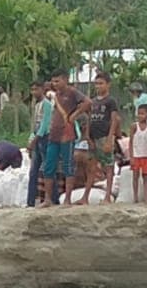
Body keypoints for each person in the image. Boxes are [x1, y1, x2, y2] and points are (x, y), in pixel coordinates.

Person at [41, 71, 89, 208]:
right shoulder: (56, 95)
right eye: (53, 81)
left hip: (67, 134)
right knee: (49, 166)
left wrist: (74, 115)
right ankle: (47, 199)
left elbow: (87, 102)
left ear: (65, 80)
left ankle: (67, 199)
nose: (55, 84)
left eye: (57, 81)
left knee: (68, 166)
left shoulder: (72, 92)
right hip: (54, 134)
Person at [80, 71, 121, 205]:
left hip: (104, 137)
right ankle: (85, 197)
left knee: (108, 167)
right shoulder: (92, 101)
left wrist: (110, 139)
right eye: (96, 84)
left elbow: (114, 120)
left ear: (108, 85)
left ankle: (107, 196)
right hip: (93, 137)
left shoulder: (111, 101)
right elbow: (89, 119)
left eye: (101, 83)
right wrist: (87, 136)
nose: (98, 86)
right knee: (91, 168)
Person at [26, 80, 52, 207]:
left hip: (44, 138)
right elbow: (34, 125)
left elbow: (45, 124)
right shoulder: (36, 105)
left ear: (42, 89)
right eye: (32, 90)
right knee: (33, 171)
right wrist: (31, 140)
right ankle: (30, 202)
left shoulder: (47, 104)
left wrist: (35, 140)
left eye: (36, 89)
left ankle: (52, 198)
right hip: (37, 138)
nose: (34, 92)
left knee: (47, 170)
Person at [126, 105, 147, 204]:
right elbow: (131, 142)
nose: (140, 116)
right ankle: (135, 197)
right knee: (135, 176)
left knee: (145, 177)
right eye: (139, 113)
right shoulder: (134, 126)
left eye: (142, 114)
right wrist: (131, 156)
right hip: (136, 155)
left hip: (146, 155)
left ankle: (146, 197)